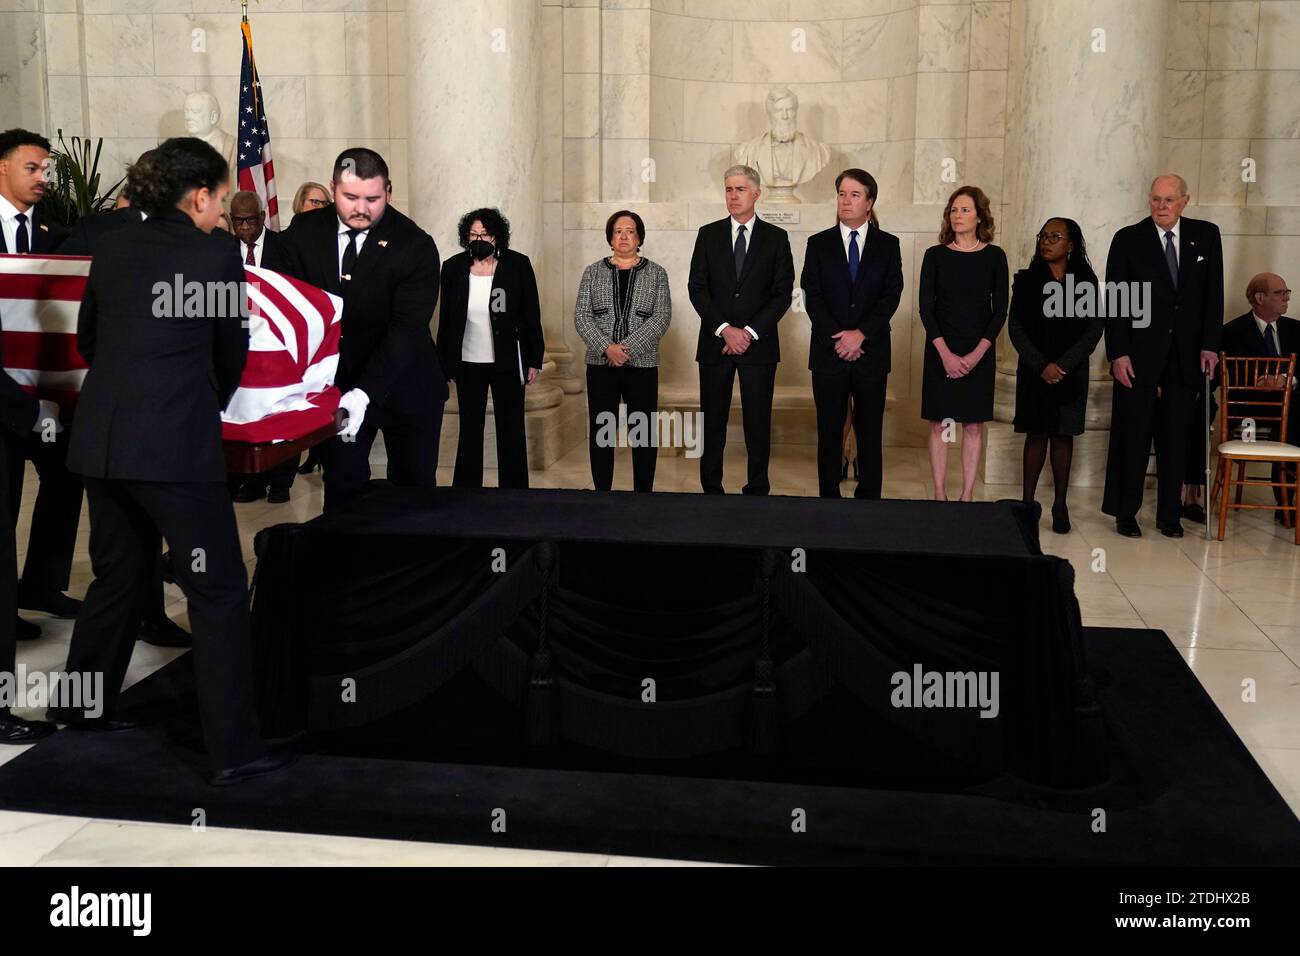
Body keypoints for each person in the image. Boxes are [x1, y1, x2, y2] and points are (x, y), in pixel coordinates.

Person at [48, 137, 292, 785]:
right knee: (216, 590)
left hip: (103, 441)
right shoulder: (214, 254)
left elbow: (89, 338)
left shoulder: (115, 246)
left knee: (118, 579)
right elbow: (229, 352)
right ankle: (234, 751)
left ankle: (82, 710)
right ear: (201, 196)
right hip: (174, 446)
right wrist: (204, 401)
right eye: (218, 199)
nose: (221, 213)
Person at [55, 150, 191, 649]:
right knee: (127, 549)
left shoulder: (192, 240)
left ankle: (142, 624)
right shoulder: (97, 233)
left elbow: (89, 336)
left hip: (118, 421)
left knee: (132, 544)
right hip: (145, 421)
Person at [280, 147, 446, 511]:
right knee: (342, 488)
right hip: (339, 386)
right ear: (332, 189)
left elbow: (406, 329)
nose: (361, 208)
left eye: (373, 198)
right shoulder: (302, 234)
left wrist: (363, 393)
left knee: (414, 496)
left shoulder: (413, 244)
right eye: (350, 197)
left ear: (388, 191)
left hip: (407, 384)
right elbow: (289, 310)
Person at [1102, 173, 1223, 538]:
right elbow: (1116, 302)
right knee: (1133, 434)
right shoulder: (1128, 239)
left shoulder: (1206, 235)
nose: (1161, 206)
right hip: (1138, 355)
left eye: (1169, 200)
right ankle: (1126, 513)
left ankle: (1169, 515)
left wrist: (1209, 345)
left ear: (1185, 200)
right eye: (1156, 199)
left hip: (1186, 356)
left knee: (1177, 435)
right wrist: (1118, 353)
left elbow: (1212, 296)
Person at [0, 129, 81, 643]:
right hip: (1, 395)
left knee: (66, 479)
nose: (43, 178)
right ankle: (4, 609)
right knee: (4, 503)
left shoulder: (54, 231)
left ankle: (43, 585)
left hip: (48, 394)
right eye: (32, 168)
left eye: (47, 169)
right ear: (2, 168)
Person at [688, 165, 794, 495]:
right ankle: (711, 488)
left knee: (757, 421)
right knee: (713, 421)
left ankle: (758, 486)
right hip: (715, 344)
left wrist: (747, 332)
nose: (733, 196)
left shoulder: (777, 238)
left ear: (756, 194)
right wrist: (724, 329)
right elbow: (697, 287)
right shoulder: (708, 234)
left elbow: (782, 292)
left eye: (740, 190)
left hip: (757, 347)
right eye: (729, 190)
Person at [800, 168, 903, 499]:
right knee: (829, 431)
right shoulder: (818, 244)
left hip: (871, 353)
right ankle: (829, 499)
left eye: (855, 194)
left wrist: (861, 335)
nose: (846, 200)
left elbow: (891, 295)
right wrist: (839, 336)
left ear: (869, 202)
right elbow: (811, 295)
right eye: (842, 194)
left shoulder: (888, 245)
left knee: (870, 430)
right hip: (829, 353)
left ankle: (868, 499)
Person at [1008, 217, 1104, 533]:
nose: (1046, 241)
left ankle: (1060, 505)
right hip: (1035, 371)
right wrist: (1041, 365)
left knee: (1062, 435)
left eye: (1055, 236)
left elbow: (1094, 328)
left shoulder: (1086, 282)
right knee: (1036, 434)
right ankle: (1026, 505)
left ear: (1071, 245)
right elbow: (1016, 328)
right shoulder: (1026, 280)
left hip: (1070, 374)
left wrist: (1063, 365)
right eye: (1043, 236)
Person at [437, 208, 544, 489]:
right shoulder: (452, 267)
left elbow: (531, 314)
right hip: (468, 361)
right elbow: (446, 319)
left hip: (507, 360)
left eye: (484, 234)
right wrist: (444, 361)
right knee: (470, 429)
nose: (478, 238)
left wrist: (534, 358)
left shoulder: (517, 265)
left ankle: (514, 492)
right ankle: (466, 491)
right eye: (473, 234)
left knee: (511, 429)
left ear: (497, 236)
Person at [919, 185, 1009, 502]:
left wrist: (975, 356)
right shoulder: (935, 256)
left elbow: (1000, 312)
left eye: (965, 209)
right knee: (941, 424)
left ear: (980, 216)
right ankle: (941, 494)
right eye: (954, 210)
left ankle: (967, 495)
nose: (958, 215)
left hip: (979, 352)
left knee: (973, 425)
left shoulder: (995, 257)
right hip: (941, 350)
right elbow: (925, 309)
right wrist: (945, 354)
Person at [574, 210, 672, 492]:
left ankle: (643, 494)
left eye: (630, 231)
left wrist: (626, 349)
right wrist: (607, 348)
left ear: (639, 237)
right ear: (610, 237)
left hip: (642, 365)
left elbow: (661, 317)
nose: (624, 236)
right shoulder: (592, 272)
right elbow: (582, 316)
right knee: (602, 431)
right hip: (600, 364)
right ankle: (602, 492)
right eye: (618, 231)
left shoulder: (656, 273)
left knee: (642, 432)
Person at [227, 189, 298, 504]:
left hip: (279, 347)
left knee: (280, 415)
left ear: (262, 217)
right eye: (238, 221)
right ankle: (251, 480)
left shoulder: (287, 249)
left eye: (250, 220)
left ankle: (281, 481)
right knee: (247, 416)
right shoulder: (222, 251)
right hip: (239, 349)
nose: (244, 227)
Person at [1219, 272, 1298, 524]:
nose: (1286, 298)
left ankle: (1287, 504)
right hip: (1250, 412)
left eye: (1287, 293)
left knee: (1295, 414)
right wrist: (1261, 383)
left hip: (1291, 407)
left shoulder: (1296, 329)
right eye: (1279, 293)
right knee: (1293, 418)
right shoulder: (1232, 331)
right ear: (1259, 298)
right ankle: (1287, 506)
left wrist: (1288, 381)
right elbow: (1228, 377)